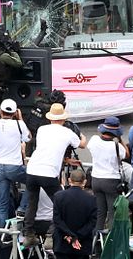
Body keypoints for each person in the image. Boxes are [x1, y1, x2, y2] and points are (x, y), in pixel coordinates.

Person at [22, 103, 86, 247]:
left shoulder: (42, 129)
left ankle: (28, 234)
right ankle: (51, 234)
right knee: (61, 203)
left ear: (50, 118)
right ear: (63, 119)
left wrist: (65, 159)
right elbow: (81, 145)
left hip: (32, 169)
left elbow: (47, 149)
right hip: (49, 172)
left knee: (32, 202)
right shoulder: (67, 132)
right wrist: (81, 135)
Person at [0, 98, 31, 227]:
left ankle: (3, 233)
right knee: (33, 181)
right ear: (14, 113)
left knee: (2, 203)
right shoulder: (19, 124)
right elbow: (28, 138)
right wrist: (21, 119)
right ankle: (22, 209)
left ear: (0, 111)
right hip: (14, 166)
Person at [87, 116, 129, 231]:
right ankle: (110, 239)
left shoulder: (94, 140)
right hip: (111, 181)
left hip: (95, 179)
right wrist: (120, 139)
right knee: (112, 212)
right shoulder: (117, 146)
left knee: (100, 212)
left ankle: (97, 237)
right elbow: (126, 154)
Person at [52, 169, 98, 259]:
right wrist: (77, 237)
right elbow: (92, 222)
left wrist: (70, 236)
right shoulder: (91, 199)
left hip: (62, 243)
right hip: (82, 244)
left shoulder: (58, 196)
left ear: (69, 180)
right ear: (84, 181)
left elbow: (57, 220)